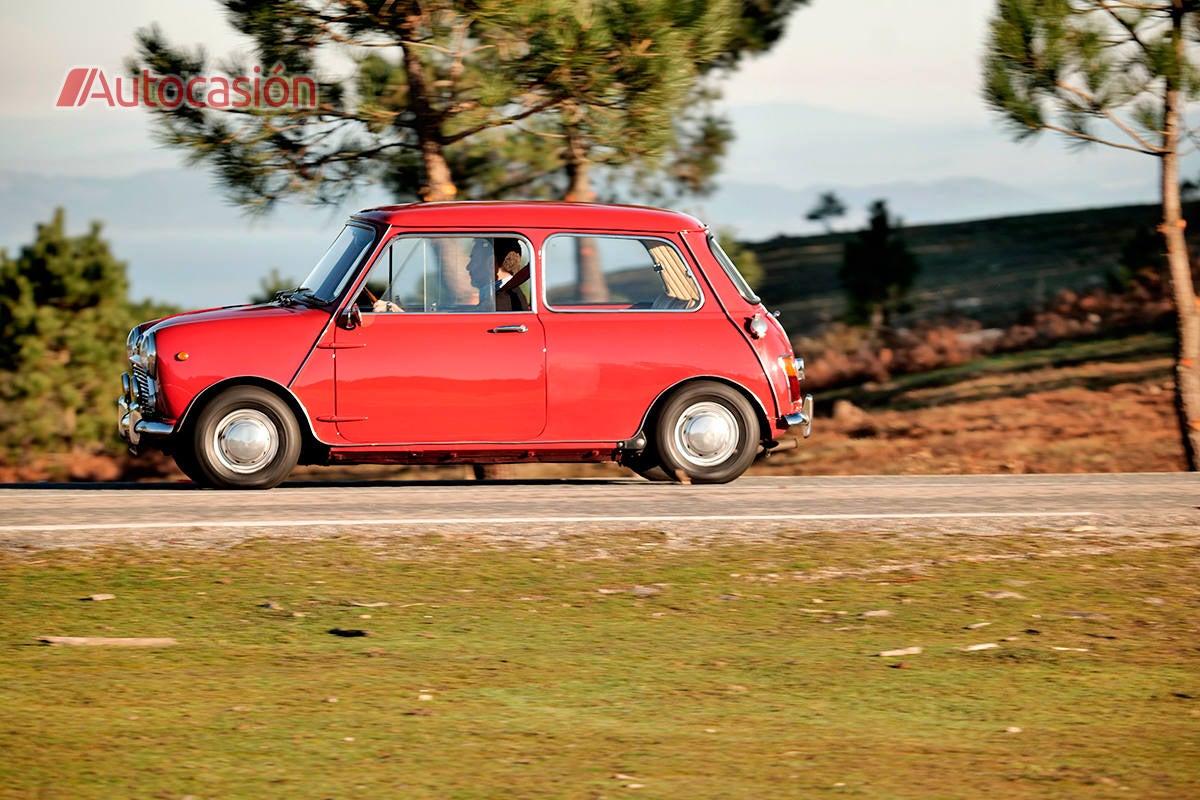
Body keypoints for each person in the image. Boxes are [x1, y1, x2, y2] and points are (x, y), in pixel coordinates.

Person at [466, 237, 528, 311]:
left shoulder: (498, 303)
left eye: (474, 260)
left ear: (491, 264)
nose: (468, 267)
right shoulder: (511, 296)